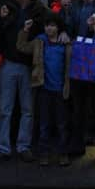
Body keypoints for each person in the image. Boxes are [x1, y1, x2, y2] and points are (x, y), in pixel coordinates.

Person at [0, 0, 50, 163]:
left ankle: (23, 145)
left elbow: (55, 27)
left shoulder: (40, 11)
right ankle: (3, 147)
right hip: (9, 63)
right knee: (4, 108)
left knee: (27, 108)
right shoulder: (6, 6)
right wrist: (0, 19)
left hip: (28, 66)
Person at [17, 12, 71, 167]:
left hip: (61, 90)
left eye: (53, 25)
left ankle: (63, 154)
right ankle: (44, 154)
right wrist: (25, 31)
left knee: (62, 124)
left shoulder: (65, 43)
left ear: (58, 27)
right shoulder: (40, 42)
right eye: (47, 25)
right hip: (44, 89)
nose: (50, 28)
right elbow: (21, 47)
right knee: (44, 124)